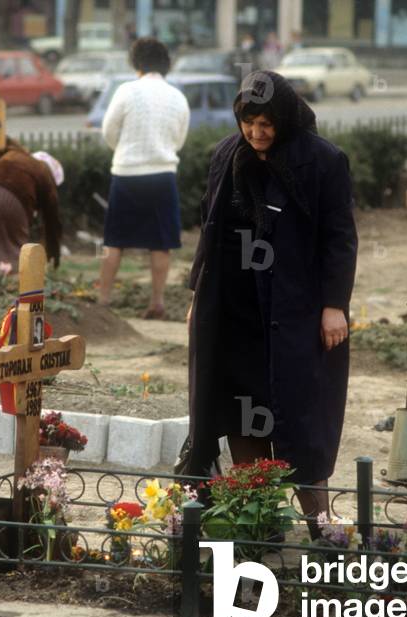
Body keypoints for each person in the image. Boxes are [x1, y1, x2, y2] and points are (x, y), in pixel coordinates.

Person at [180, 71, 357, 537]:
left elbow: (340, 239)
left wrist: (334, 304)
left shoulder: (323, 162)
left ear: (285, 118)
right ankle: (256, 522)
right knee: (242, 410)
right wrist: (199, 294)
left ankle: (322, 527)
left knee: (300, 418)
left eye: (267, 124)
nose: (257, 133)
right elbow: (210, 224)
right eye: (248, 122)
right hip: (236, 312)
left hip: (295, 312)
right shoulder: (227, 155)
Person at [99, 37, 190, 318]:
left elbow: (109, 131)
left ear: (136, 62)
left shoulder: (126, 91)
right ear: (166, 65)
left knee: (114, 240)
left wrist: (125, 150)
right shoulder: (177, 96)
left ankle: (103, 300)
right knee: (161, 242)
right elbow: (179, 138)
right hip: (163, 174)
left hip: (127, 173)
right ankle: (157, 301)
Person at [0, 142, 63, 272]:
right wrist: (53, 257)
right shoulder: (45, 173)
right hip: (12, 196)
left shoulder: (16, 153)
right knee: (13, 244)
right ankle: (13, 278)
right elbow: (52, 222)